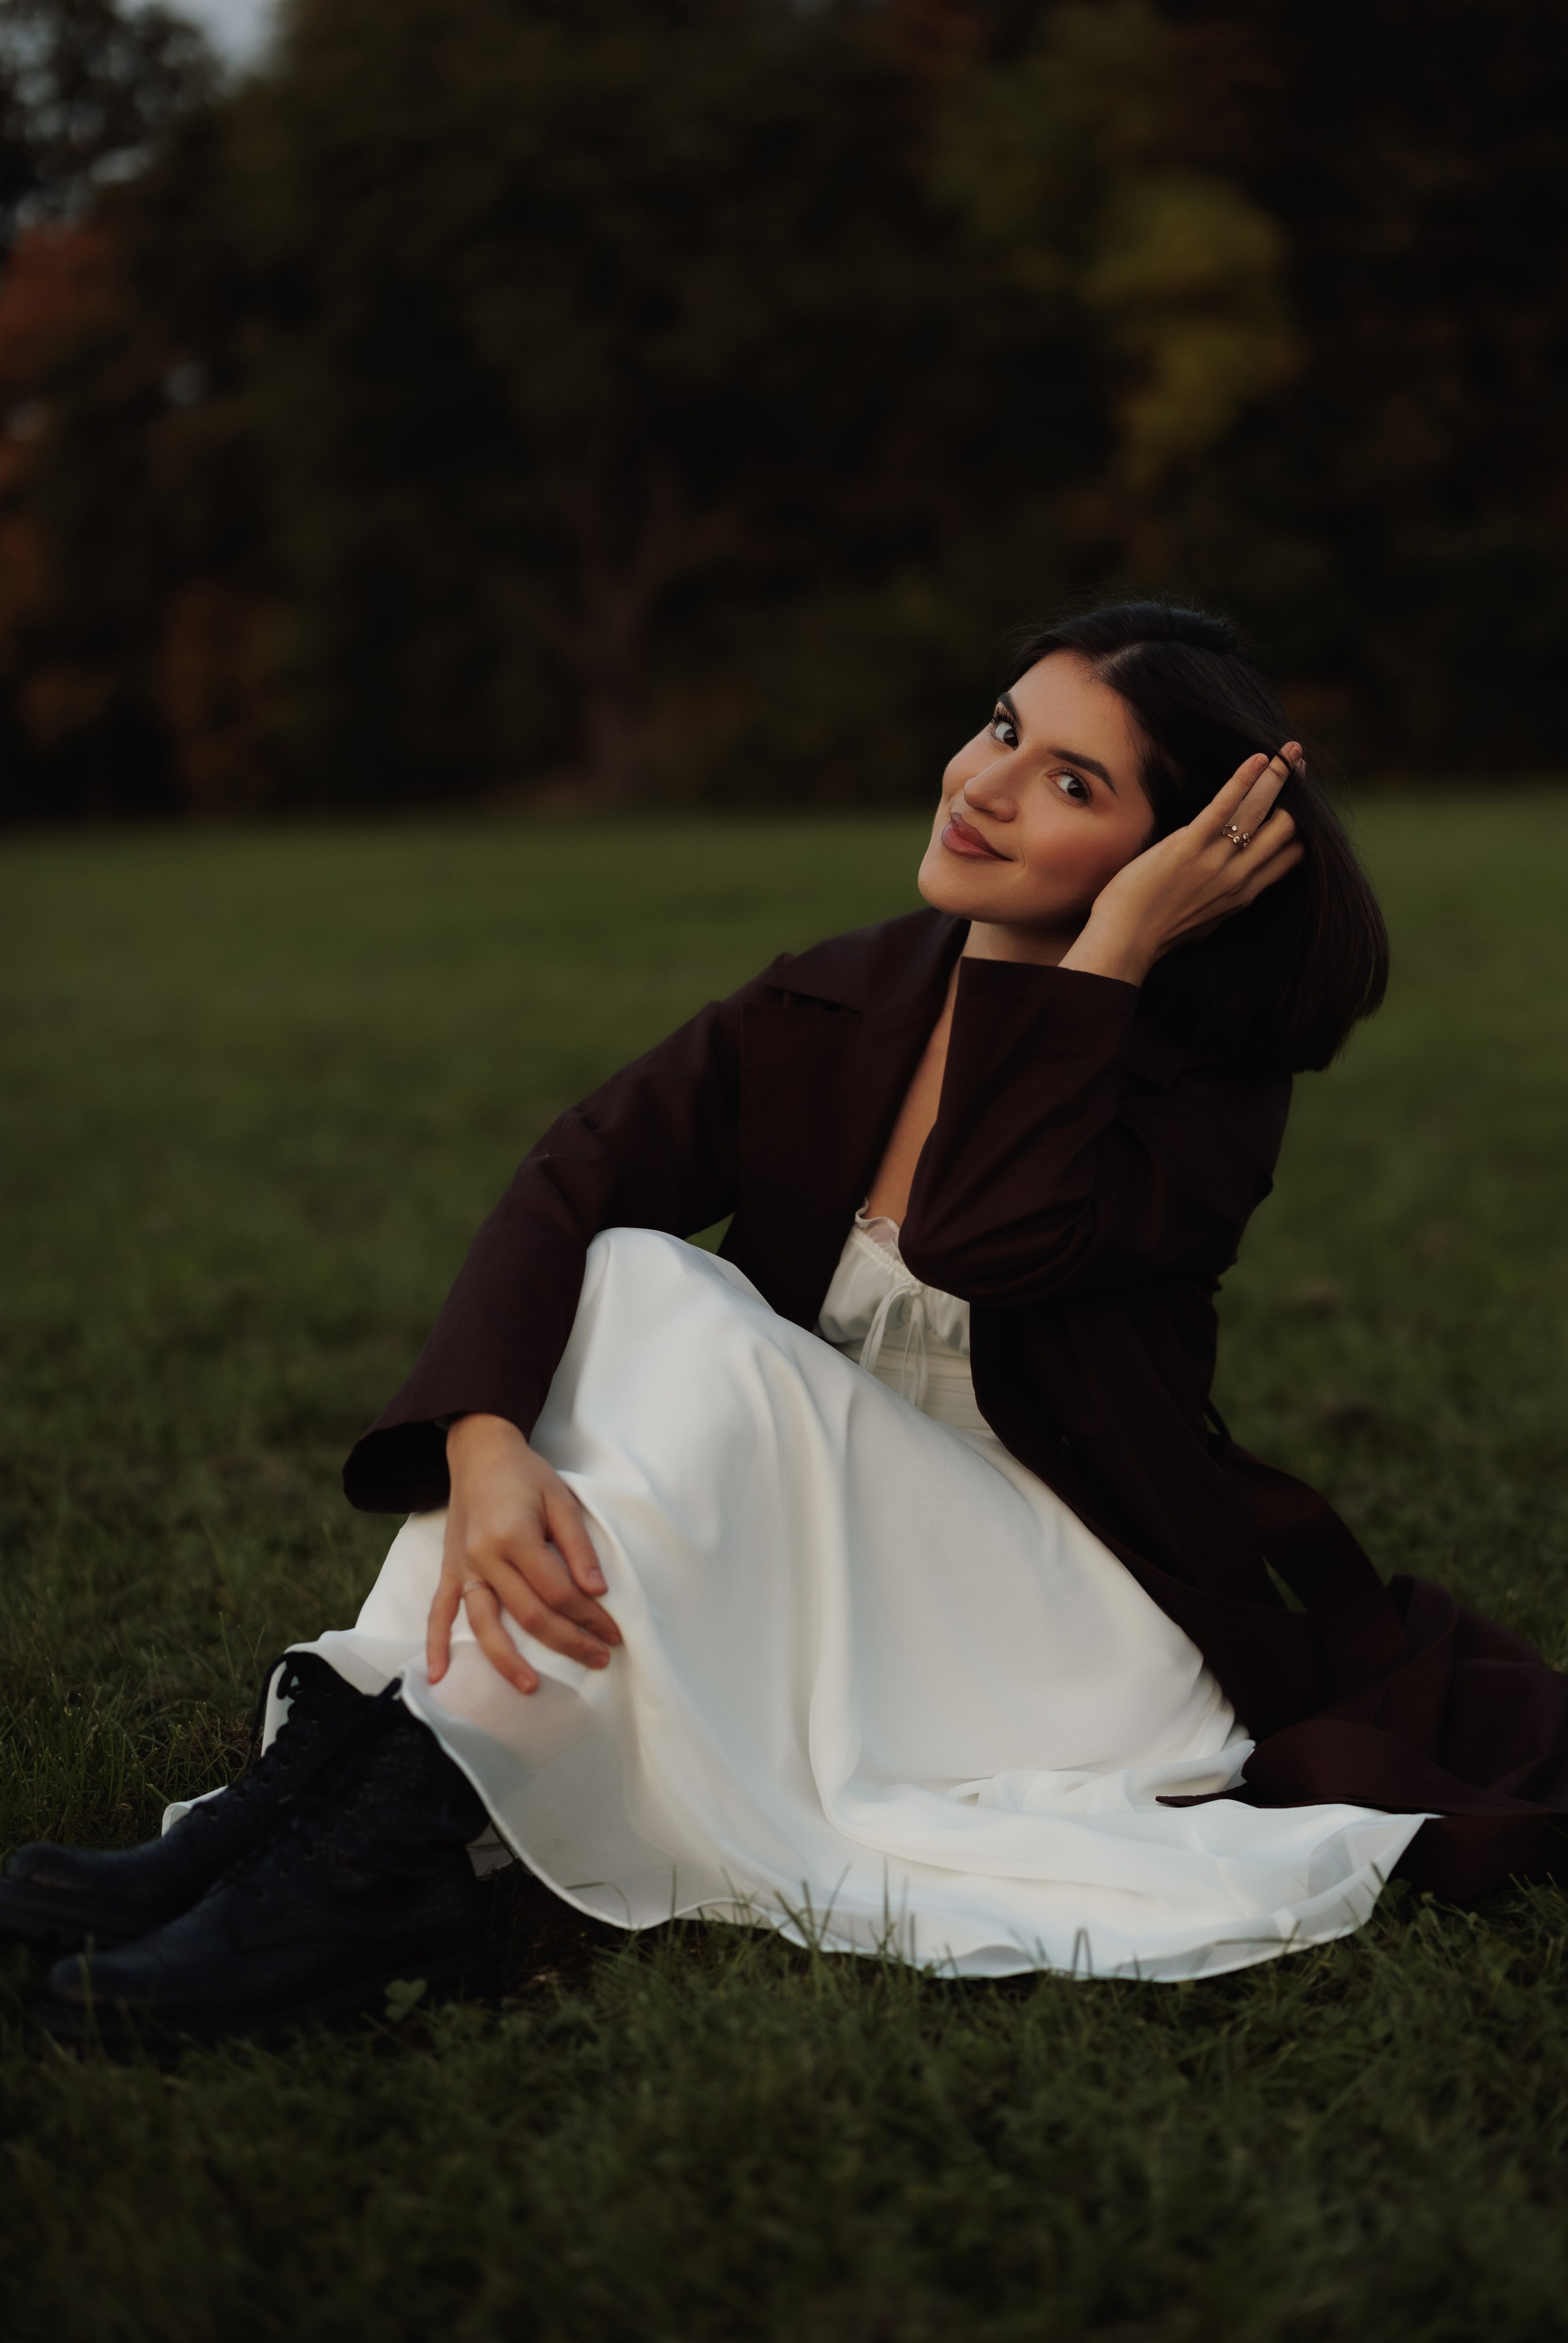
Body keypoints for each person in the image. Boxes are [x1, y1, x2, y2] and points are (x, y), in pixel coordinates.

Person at [8, 602, 1567, 2045]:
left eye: (1073, 782)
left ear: (1168, 866)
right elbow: (573, 1181)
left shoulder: (1197, 1089)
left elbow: (984, 1234)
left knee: (677, 1312)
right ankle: (334, 1818)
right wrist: (482, 1449)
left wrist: (1104, 965)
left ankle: (362, 1858)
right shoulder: (834, 1000)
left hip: (1070, 1629)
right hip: (839, 1587)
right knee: (626, 1273)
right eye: (1002, 725)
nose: (987, 781)